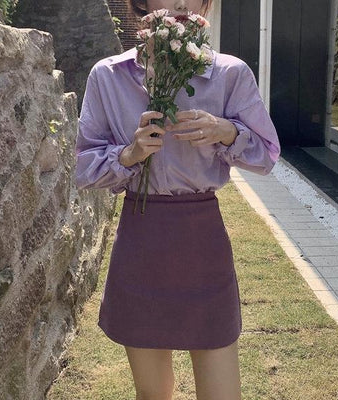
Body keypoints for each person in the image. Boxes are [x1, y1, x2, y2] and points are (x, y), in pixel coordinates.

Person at [74, 0, 281, 399]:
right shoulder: (109, 76)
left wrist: (227, 132)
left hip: (203, 244)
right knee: (153, 394)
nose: (183, 2)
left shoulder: (230, 73)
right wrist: (129, 154)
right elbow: (84, 167)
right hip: (141, 243)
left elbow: (267, 156)